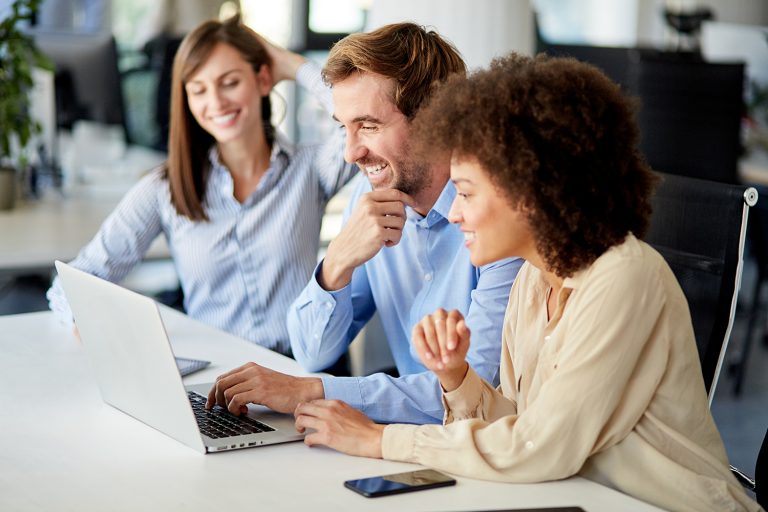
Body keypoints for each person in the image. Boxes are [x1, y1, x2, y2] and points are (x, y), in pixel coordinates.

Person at [291, 54, 762, 512]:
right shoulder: (534, 281)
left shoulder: (625, 278)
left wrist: (379, 440)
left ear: (533, 192)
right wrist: (458, 379)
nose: (454, 212)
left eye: (468, 193)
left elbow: (541, 447)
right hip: (575, 499)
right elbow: (521, 422)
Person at [205, 23, 522, 424]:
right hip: (419, 442)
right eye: (344, 128)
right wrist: (335, 265)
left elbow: (476, 390)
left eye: (368, 126)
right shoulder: (370, 196)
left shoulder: (499, 214)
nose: (351, 152)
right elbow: (312, 352)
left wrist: (309, 392)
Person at [46, 15, 356, 356]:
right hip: (216, 382)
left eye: (230, 82)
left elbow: (358, 122)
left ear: (262, 80)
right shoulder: (166, 186)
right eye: (199, 90)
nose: (216, 102)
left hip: (297, 370)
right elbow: (74, 280)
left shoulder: (309, 169)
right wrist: (84, 320)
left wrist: (293, 65)